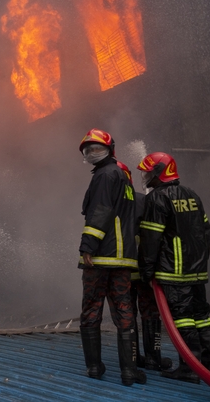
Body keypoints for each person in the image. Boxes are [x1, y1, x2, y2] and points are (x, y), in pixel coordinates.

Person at [138, 152, 210, 384]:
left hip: (173, 271)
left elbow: (151, 239)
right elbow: (206, 231)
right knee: (201, 315)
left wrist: (146, 271)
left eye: (148, 172)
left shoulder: (157, 198)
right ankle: (209, 365)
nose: (145, 177)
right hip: (196, 270)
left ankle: (190, 368)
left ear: (159, 172)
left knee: (182, 318)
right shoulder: (192, 195)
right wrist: (200, 259)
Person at [76, 129, 145, 386]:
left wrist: (88, 246)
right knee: (124, 310)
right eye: (88, 150)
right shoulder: (123, 178)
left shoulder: (105, 175)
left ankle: (94, 368)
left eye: (97, 148)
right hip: (122, 260)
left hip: (101, 257)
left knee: (91, 308)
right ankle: (129, 371)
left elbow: (100, 211)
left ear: (110, 149)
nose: (92, 153)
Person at [119, 161, 172, 372]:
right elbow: (154, 234)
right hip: (144, 268)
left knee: (127, 314)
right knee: (150, 312)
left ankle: (132, 358)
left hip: (121, 270)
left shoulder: (108, 202)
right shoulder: (144, 200)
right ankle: (153, 358)